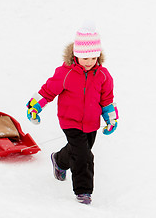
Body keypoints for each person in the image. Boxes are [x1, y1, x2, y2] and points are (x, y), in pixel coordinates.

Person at [26, 21, 118, 205]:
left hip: (92, 123)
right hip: (70, 121)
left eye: (94, 58)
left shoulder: (103, 75)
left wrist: (111, 119)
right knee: (84, 156)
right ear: (76, 55)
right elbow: (48, 91)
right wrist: (35, 106)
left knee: (79, 151)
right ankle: (84, 192)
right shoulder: (65, 73)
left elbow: (107, 99)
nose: (90, 62)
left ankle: (59, 160)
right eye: (86, 59)